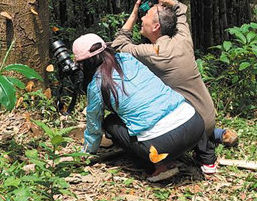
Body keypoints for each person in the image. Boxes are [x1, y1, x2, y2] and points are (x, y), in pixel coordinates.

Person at [112, 0, 237, 175]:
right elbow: (181, 10)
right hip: (208, 114)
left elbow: (118, 45)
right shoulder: (183, 39)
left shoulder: (154, 52)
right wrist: (165, 0)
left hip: (190, 125)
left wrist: (132, 14)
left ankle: (204, 141)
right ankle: (216, 134)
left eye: (145, 16)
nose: (141, 18)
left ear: (155, 26)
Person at [75, 33, 204, 182]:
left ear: (84, 64)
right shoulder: (128, 59)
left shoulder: (96, 85)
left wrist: (84, 155)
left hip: (162, 146)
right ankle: (205, 158)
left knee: (110, 122)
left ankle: (161, 166)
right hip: (194, 123)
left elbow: (94, 128)